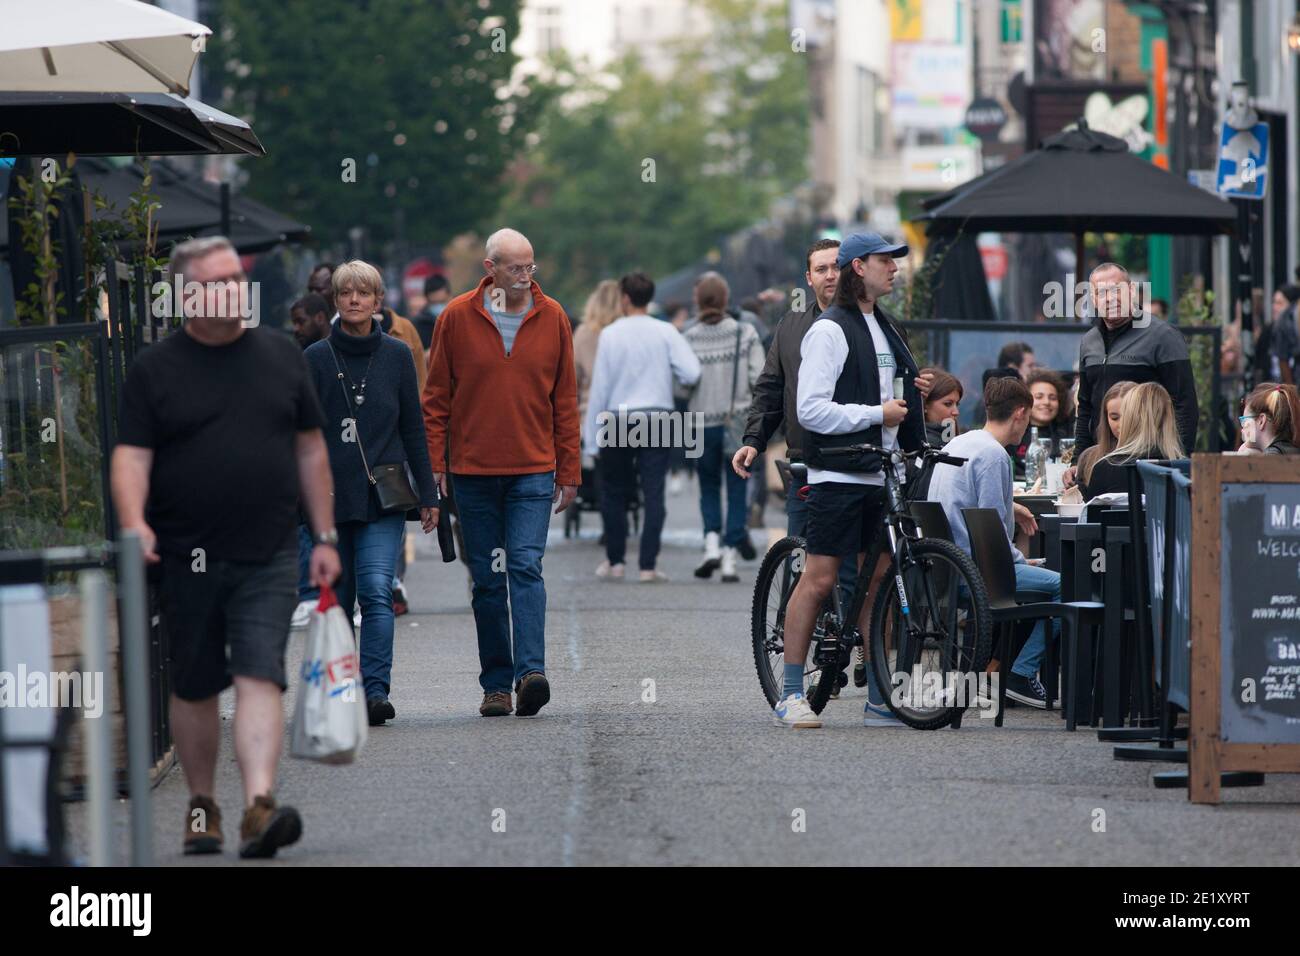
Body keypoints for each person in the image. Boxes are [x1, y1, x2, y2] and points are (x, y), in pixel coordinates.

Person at [111, 236, 341, 859]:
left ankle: (260, 805)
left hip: (268, 549)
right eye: (216, 283)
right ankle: (202, 805)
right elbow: (132, 456)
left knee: (260, 669)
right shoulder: (155, 369)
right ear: (187, 294)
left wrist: (323, 535)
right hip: (185, 552)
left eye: (235, 281)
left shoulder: (279, 357)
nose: (232, 292)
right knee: (195, 683)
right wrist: (135, 521)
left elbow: (310, 449)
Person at [422, 228, 580, 718]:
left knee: (525, 568)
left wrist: (569, 468)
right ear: (489, 268)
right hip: (472, 473)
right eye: (516, 267)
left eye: (530, 266)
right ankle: (496, 684)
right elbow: (435, 401)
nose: (525, 276)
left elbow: (566, 399)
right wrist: (434, 468)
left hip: (534, 469)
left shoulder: (551, 316)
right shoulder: (455, 317)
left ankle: (531, 672)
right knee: (488, 580)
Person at [774, 232, 924, 730]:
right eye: (887, 261)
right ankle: (792, 693)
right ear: (859, 267)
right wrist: (876, 414)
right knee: (818, 580)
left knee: (878, 581)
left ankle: (880, 696)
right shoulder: (830, 329)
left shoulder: (884, 326)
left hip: (880, 472)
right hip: (837, 472)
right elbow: (810, 409)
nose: (895, 268)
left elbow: (890, 394)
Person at [304, 260, 439, 727]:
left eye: (364, 293)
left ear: (379, 301)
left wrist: (430, 494)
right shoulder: (317, 359)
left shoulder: (398, 356)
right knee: (338, 598)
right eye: (346, 294)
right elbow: (303, 435)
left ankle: (375, 690)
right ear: (336, 301)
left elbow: (413, 428)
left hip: (383, 495)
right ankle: (341, 689)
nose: (355, 301)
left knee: (378, 592)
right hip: (330, 496)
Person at [927, 376, 1059, 708]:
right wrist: (1018, 561)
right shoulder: (994, 456)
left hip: (943, 569)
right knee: (1070, 586)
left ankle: (998, 673)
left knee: (1036, 579)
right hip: (976, 573)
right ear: (1020, 413)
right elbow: (991, 535)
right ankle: (1021, 673)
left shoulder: (959, 443)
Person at [584, 271, 700, 581]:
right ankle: (648, 565)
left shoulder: (610, 334)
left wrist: (591, 437)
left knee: (614, 493)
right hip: (658, 417)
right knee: (654, 493)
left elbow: (600, 388)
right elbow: (691, 371)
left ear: (624, 298)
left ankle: (616, 560)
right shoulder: (665, 331)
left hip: (618, 418)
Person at [683, 271, 764, 582]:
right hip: (737, 422)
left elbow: (681, 385)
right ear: (726, 299)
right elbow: (758, 377)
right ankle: (730, 557)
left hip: (698, 424)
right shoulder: (745, 334)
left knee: (707, 486)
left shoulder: (688, 337)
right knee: (737, 486)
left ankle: (711, 545)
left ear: (698, 300)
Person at [1074, 261, 1198, 457]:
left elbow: (1184, 403)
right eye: (1101, 293)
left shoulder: (1163, 336)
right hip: (1102, 457)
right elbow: (1085, 407)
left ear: (1131, 291)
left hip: (1151, 457)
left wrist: (1179, 460)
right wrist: (1077, 459)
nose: (1110, 299)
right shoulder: (1089, 341)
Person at [289, 291, 336, 630]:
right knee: (305, 523)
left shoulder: (329, 352)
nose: (295, 328)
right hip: (310, 455)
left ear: (320, 318)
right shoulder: (303, 355)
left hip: (340, 455)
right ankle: (310, 594)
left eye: (300, 321)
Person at [1079, 382, 1185, 500]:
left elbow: (1091, 517)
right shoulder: (1184, 469)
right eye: (1115, 417)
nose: (1120, 423)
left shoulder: (1106, 467)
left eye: (1124, 415)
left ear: (1131, 418)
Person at [573, 279, 623, 439]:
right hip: (627, 414)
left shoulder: (582, 333)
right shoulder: (626, 333)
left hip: (590, 415)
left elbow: (573, 379)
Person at [1073, 380, 1138, 498]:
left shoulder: (1156, 458)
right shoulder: (1089, 458)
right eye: (1114, 417)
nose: (1122, 424)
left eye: (1128, 416)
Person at [1253, 285, 1300, 386]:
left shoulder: (1291, 325)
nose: (1275, 307)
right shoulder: (1267, 332)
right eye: (1274, 302)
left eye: (1280, 303)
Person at [1238, 382, 1300, 455]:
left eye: (1244, 421)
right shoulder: (1293, 450)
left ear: (1261, 421)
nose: (1242, 429)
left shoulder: (1271, 456)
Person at [411, 274, 451, 350]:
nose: (438, 307)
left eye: (441, 302)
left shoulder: (458, 319)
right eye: (434, 303)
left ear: (449, 296)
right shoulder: (418, 324)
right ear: (426, 299)